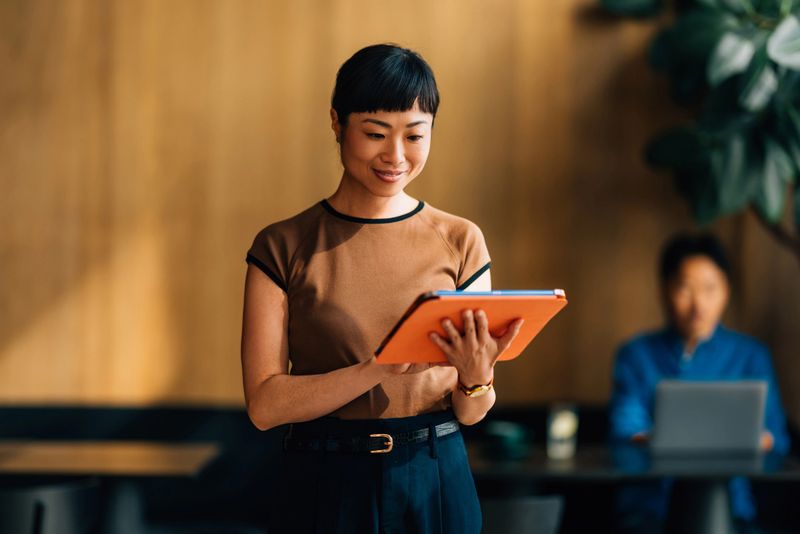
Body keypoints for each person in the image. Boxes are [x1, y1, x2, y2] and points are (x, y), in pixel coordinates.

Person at [240, 43, 523, 533]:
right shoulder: (281, 245)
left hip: (436, 474)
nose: (395, 156)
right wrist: (378, 368)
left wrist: (477, 377)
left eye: (414, 135)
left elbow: (472, 412)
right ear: (336, 122)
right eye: (375, 133)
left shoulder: (461, 240)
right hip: (323, 479)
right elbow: (265, 406)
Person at [609, 232, 790, 532]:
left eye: (710, 288)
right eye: (685, 288)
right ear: (663, 290)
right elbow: (624, 431)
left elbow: (776, 439)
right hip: (650, 511)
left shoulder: (750, 355)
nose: (698, 305)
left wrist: (755, 440)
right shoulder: (636, 355)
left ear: (726, 291)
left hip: (729, 509)